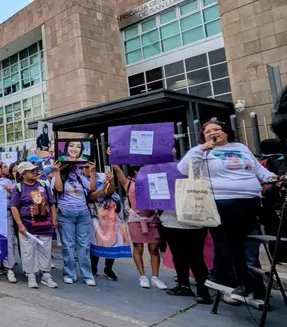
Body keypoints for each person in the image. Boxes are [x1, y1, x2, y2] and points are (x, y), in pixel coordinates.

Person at [177, 118, 274, 305]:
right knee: (230, 244)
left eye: (217, 129)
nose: (213, 133)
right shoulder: (201, 151)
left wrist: (274, 177)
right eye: (207, 131)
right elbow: (183, 169)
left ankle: (254, 291)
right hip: (222, 203)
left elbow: (258, 170)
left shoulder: (241, 147)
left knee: (250, 247)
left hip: (251, 202)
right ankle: (234, 282)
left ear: (226, 131)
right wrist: (201, 149)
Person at [109, 163, 166, 290]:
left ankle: (155, 277)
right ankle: (142, 276)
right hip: (135, 219)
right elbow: (117, 169)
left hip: (152, 218)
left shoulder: (154, 181)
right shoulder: (129, 183)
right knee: (138, 248)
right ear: (135, 171)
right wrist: (113, 157)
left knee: (154, 248)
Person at [11, 161, 59, 288]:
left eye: (35, 170)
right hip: (28, 227)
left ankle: (46, 275)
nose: (34, 172)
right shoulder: (18, 187)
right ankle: (31, 275)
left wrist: (54, 219)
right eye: (31, 171)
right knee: (28, 252)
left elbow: (52, 203)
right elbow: (14, 207)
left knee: (45, 251)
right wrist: (20, 225)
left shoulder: (43, 184)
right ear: (23, 174)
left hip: (45, 225)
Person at [51, 161, 97, 286]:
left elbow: (92, 188)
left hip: (83, 213)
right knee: (68, 244)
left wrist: (92, 172)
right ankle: (69, 274)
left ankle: (87, 275)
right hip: (65, 213)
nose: (77, 168)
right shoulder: (58, 176)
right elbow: (59, 189)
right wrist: (57, 171)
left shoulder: (79, 177)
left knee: (84, 245)